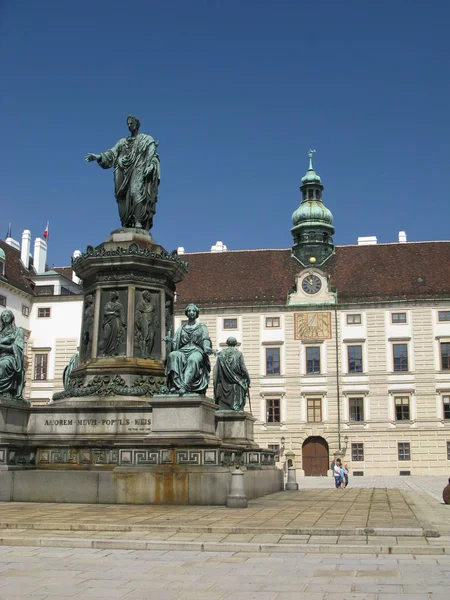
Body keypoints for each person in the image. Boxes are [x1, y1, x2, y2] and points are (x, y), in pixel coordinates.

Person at [85, 116, 160, 231]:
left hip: (139, 169)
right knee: (122, 197)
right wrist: (98, 156)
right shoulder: (122, 142)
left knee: (136, 192)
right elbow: (112, 153)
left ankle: (138, 221)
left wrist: (150, 165)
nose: (129, 126)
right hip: (123, 172)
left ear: (137, 124)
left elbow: (151, 152)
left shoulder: (146, 139)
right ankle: (127, 221)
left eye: (131, 123)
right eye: (128, 124)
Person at [164, 303, 212, 394]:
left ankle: (184, 385)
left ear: (197, 313)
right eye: (189, 311)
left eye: (193, 311)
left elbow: (206, 339)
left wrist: (206, 347)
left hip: (196, 350)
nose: (191, 312)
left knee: (193, 359)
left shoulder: (202, 327)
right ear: (187, 313)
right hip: (183, 350)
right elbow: (175, 343)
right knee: (173, 355)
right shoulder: (181, 328)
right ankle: (176, 384)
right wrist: (169, 341)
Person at [213, 336, 250, 411]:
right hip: (236, 383)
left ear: (227, 343)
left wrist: (215, 384)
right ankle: (236, 406)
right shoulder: (239, 354)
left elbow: (216, 370)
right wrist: (248, 379)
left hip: (223, 383)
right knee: (242, 386)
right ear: (235, 343)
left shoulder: (221, 354)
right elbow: (243, 368)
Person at [0, 309, 25, 399]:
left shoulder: (18, 331)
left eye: (7, 315)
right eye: (3, 316)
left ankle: (6, 391)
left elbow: (18, 347)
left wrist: (2, 346)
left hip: (12, 357)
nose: (5, 317)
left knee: (3, 364)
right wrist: (5, 341)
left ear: (11, 317)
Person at [99, 291, 126, 356]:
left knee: (115, 337)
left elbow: (122, 314)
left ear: (114, 296)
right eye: (110, 294)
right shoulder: (108, 304)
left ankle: (113, 352)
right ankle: (104, 350)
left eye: (111, 295)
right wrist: (113, 313)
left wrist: (123, 324)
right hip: (107, 321)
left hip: (115, 321)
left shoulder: (119, 305)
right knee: (106, 336)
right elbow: (105, 312)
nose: (110, 296)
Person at [135, 291, 158, 357]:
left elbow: (155, 314)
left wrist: (156, 321)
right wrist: (138, 322)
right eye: (148, 295)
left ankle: (148, 353)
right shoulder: (140, 304)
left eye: (150, 295)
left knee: (151, 338)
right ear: (145, 296)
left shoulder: (151, 305)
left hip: (151, 322)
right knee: (144, 337)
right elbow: (137, 314)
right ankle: (143, 353)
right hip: (144, 321)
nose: (150, 296)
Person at [80, 294, 94, 362]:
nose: (92, 298)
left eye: (92, 297)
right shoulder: (86, 308)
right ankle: (84, 357)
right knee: (85, 340)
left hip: (92, 324)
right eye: (90, 298)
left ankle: (89, 356)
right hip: (86, 324)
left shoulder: (93, 307)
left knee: (91, 339)